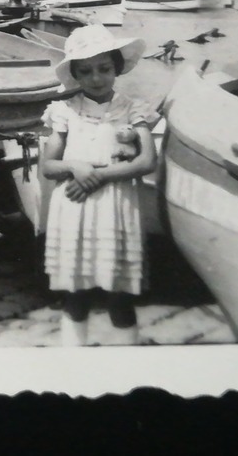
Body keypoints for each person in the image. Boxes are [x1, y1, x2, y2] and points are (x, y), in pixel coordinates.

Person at [41, 24, 159, 346]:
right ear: (76, 75)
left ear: (116, 67)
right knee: (75, 293)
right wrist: (75, 166)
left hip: (116, 207)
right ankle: (73, 359)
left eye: (104, 69)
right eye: (86, 71)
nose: (96, 78)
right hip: (74, 206)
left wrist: (96, 177)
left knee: (119, 295)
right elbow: (48, 166)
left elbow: (147, 161)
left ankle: (126, 364)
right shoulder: (64, 110)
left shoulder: (133, 109)